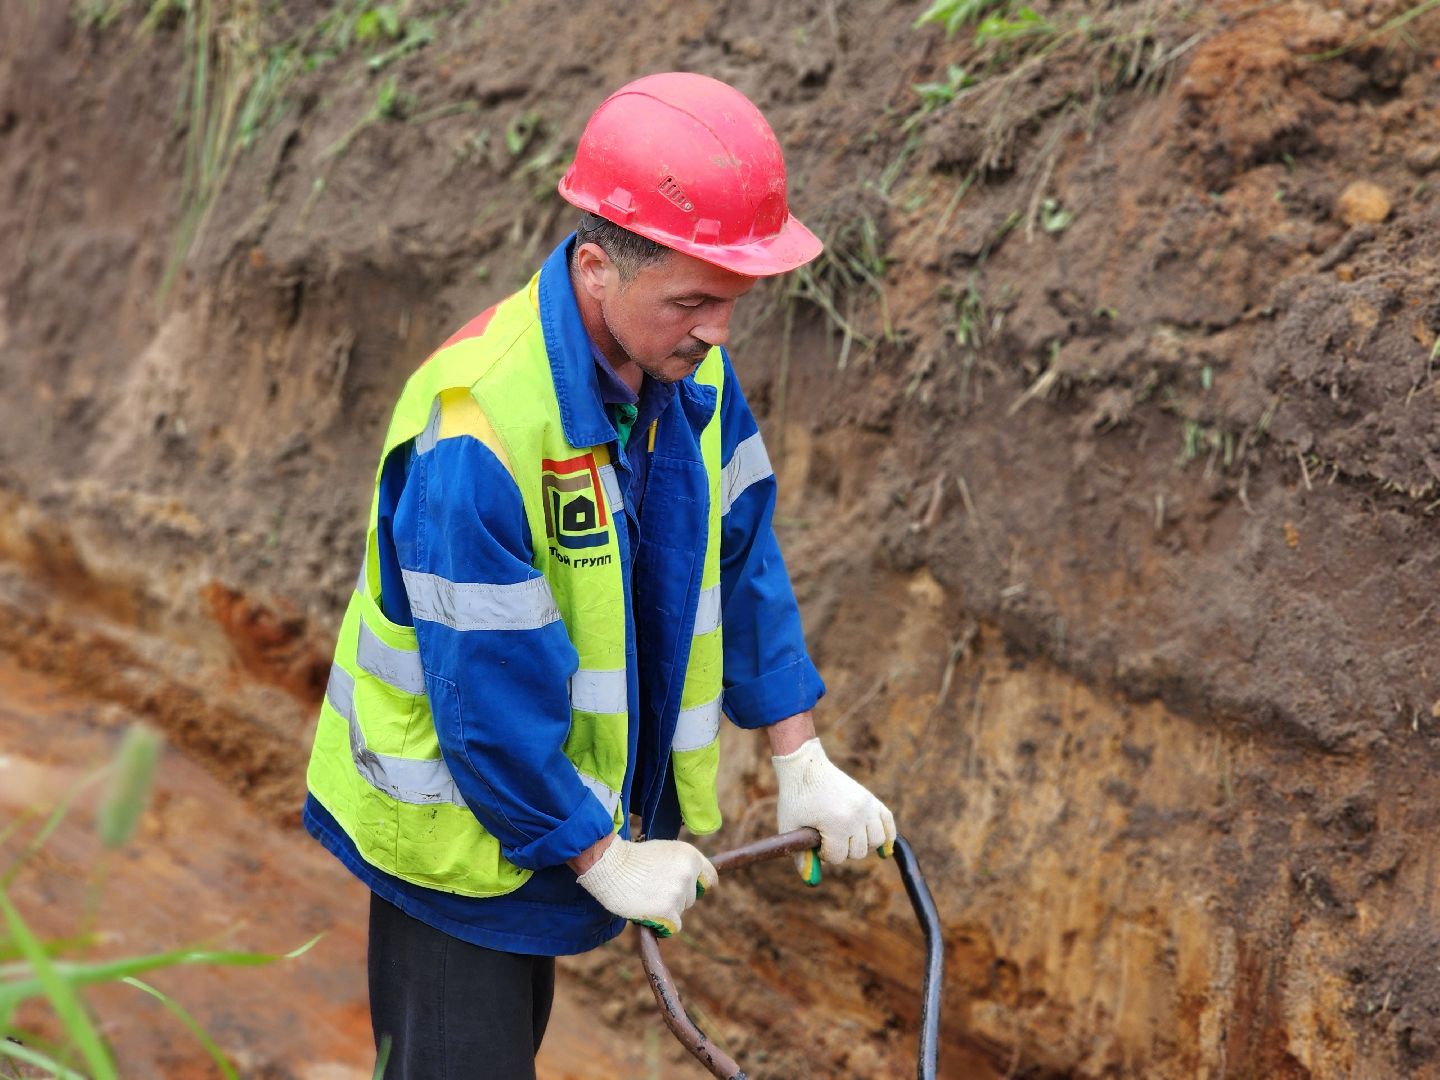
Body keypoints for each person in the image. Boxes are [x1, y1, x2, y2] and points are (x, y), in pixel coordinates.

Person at [301, 71, 896, 1078]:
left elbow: (740, 555)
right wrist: (598, 851)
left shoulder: (687, 368)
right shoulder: (478, 429)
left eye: (735, 302)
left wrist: (800, 754)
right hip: (453, 843)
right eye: (694, 301)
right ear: (595, 269)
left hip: (543, 815)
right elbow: (484, 699)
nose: (717, 332)